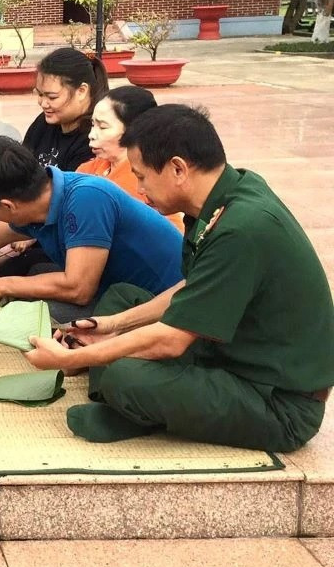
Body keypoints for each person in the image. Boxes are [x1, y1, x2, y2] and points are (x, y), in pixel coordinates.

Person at [26, 105, 333, 452]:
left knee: (127, 375)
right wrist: (114, 324)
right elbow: (192, 286)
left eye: (141, 176)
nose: (139, 189)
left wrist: (71, 359)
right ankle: (129, 397)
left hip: (277, 401)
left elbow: (171, 341)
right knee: (122, 297)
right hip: (232, 352)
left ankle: (131, 400)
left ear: (177, 169)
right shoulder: (224, 195)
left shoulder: (241, 227)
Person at [0, 137, 182, 323]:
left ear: (9, 205)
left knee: (30, 316)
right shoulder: (42, 194)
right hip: (113, 286)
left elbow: (79, 289)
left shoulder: (86, 199)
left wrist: (0, 285)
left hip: (162, 302)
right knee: (38, 273)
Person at [78, 86, 183, 232]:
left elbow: (173, 235)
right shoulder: (87, 169)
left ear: (133, 131)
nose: (91, 134)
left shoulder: (151, 181)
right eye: (92, 124)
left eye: (102, 127)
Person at [22, 47, 106, 171]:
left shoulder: (94, 139)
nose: (43, 104)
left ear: (81, 91)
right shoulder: (43, 123)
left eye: (52, 97)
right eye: (40, 94)